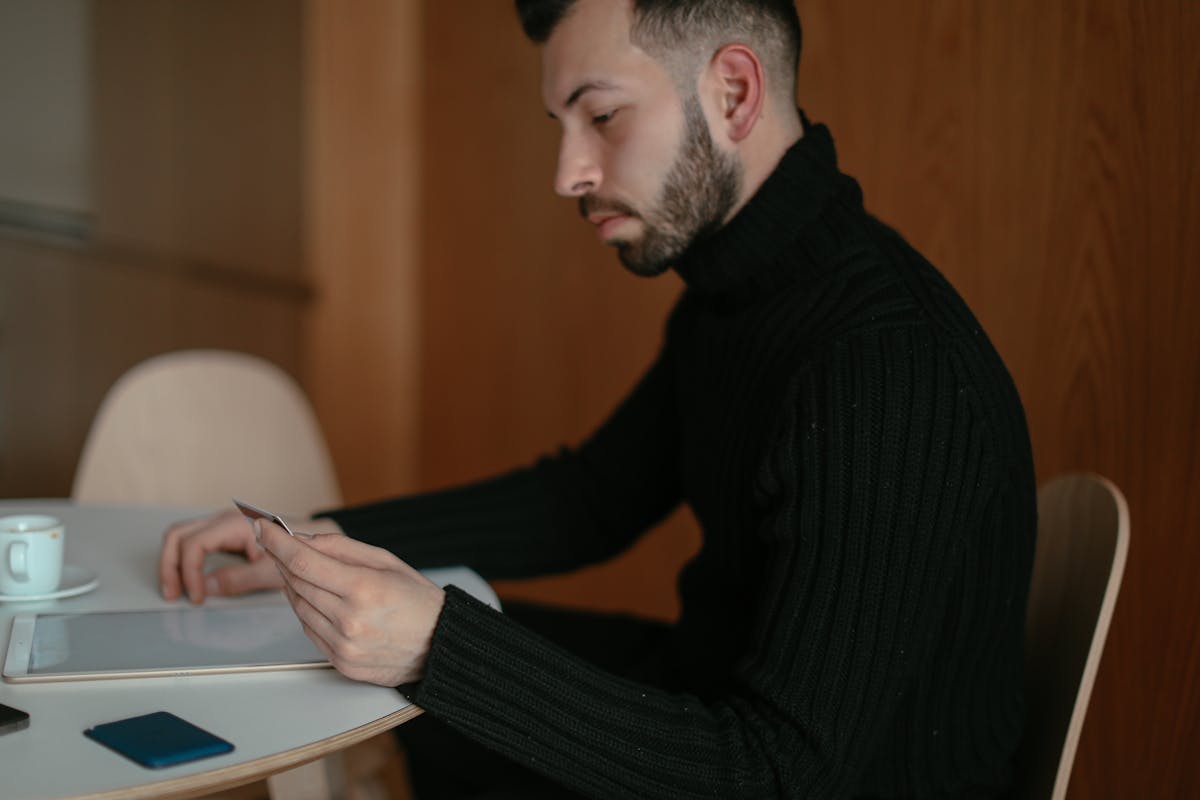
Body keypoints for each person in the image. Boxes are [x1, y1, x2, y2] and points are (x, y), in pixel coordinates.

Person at [159, 0, 1037, 797]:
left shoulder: (883, 367)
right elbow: (591, 500)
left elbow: (779, 771)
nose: (568, 173)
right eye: (562, 124)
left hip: (789, 771)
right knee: (327, 667)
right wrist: (324, 537)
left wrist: (437, 647)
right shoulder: (743, 296)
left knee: (404, 685)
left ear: (733, 92)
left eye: (603, 116)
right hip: (713, 705)